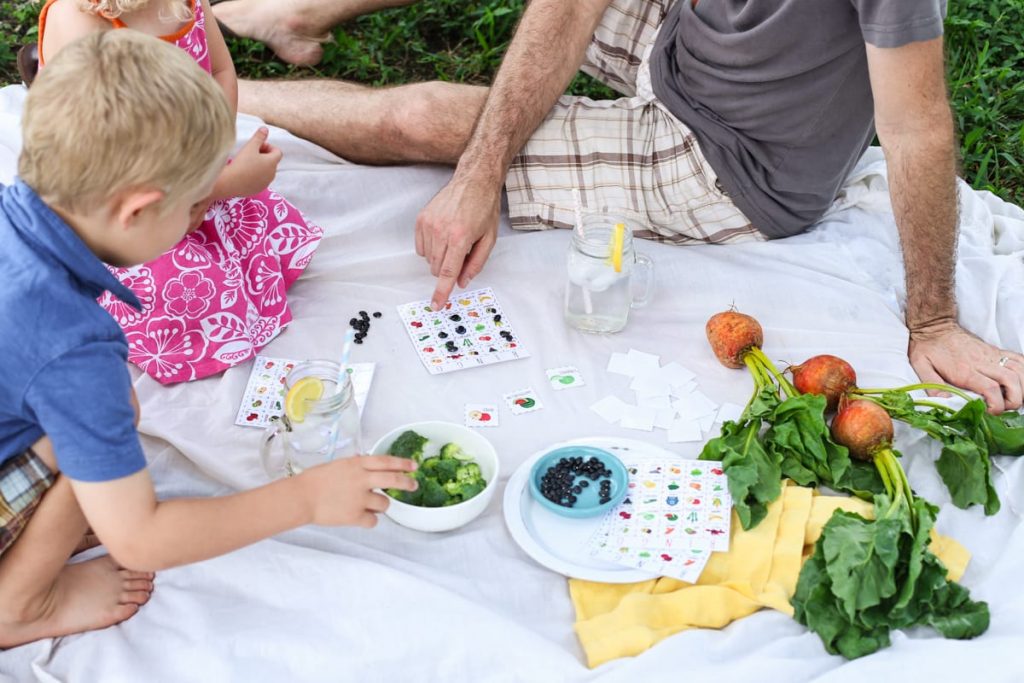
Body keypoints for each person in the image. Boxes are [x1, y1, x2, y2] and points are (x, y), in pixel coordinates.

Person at [235, 0, 1024, 414]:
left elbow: (916, 128)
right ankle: (298, 12)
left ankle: (212, 92)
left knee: (424, 120)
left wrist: (933, 320)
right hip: (691, 50)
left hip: (733, 163)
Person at [0, 30, 418, 648]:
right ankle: (19, 605)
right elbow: (141, 538)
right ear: (138, 210)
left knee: (110, 408)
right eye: (195, 207)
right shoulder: (77, 350)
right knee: (112, 407)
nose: (201, 220)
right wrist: (304, 497)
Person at [37, 0, 325, 385]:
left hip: (184, 170)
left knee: (259, 222)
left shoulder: (185, 3)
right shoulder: (80, 22)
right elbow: (111, 165)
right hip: (115, 203)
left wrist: (212, 157)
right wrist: (225, 185)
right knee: (183, 288)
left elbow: (220, 72)